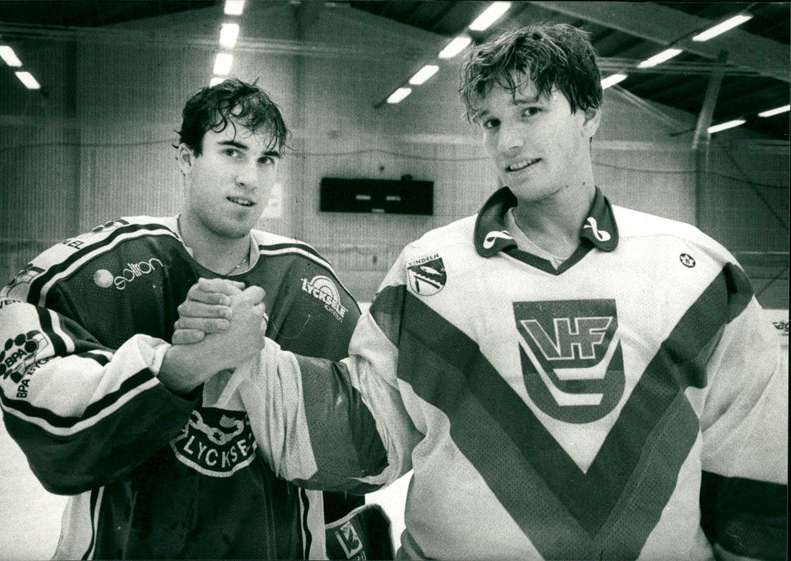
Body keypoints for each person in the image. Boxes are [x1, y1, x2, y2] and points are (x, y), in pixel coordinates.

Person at [173, 24, 788, 560]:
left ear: (590, 112)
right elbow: (368, 432)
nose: (508, 143)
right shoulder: (430, 273)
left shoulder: (698, 272)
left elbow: (755, 465)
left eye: (530, 111)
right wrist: (248, 360)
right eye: (491, 122)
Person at [0, 78, 392, 560]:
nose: (250, 177)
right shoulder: (99, 271)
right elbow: (47, 429)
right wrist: (185, 364)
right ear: (186, 158)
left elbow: (356, 436)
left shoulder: (309, 283)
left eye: (266, 160)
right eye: (231, 151)